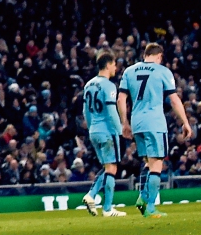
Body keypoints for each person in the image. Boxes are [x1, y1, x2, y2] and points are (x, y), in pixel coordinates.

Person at [117, 43, 194, 218]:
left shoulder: (129, 71)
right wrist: (185, 122)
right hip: (155, 122)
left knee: (148, 163)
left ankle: (142, 199)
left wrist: (124, 123)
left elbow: (121, 98)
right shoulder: (162, 71)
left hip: (137, 123)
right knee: (157, 165)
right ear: (159, 56)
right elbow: (174, 100)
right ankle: (150, 207)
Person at [80, 52, 125, 217]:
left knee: (107, 167)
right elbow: (111, 111)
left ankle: (93, 196)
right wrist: (119, 130)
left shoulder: (88, 85)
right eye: (114, 64)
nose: (115, 68)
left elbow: (85, 111)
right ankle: (106, 207)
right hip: (107, 131)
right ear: (107, 65)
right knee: (112, 168)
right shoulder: (109, 86)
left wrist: (92, 128)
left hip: (94, 131)